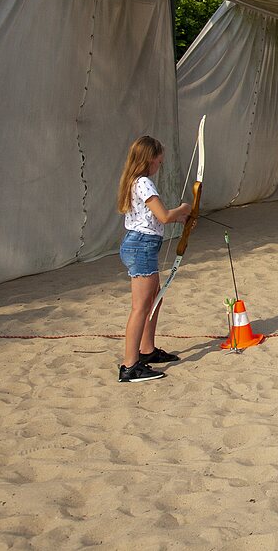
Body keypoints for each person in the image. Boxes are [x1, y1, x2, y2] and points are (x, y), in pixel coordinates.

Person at [116, 136, 192, 383]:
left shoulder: (135, 182)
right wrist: (182, 210)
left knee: (154, 299)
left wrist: (180, 217)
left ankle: (147, 350)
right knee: (140, 307)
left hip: (141, 245)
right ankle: (130, 366)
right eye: (159, 158)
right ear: (151, 158)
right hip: (141, 247)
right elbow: (164, 216)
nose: (161, 162)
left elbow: (155, 217)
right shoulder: (144, 183)